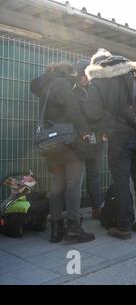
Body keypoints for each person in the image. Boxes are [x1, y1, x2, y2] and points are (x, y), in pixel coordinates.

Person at [83, 49, 136, 240]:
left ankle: (124, 225)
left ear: (98, 65)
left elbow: (92, 113)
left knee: (121, 180)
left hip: (120, 136)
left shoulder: (99, 80)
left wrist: (104, 126)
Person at [30, 62, 95, 244]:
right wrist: (84, 132)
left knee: (57, 186)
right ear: (68, 73)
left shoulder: (45, 87)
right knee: (73, 184)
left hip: (51, 144)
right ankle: (73, 228)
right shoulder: (61, 83)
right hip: (67, 143)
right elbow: (72, 109)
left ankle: (56, 230)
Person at [73, 59, 105, 220]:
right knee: (76, 177)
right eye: (83, 75)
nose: (86, 78)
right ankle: (74, 213)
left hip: (96, 139)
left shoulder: (93, 90)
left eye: (88, 75)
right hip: (79, 140)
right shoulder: (73, 92)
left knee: (94, 174)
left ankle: (96, 207)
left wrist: (103, 132)